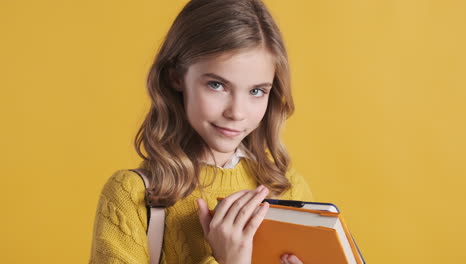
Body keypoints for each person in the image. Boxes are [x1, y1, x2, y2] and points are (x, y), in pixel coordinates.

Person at [89, 0, 314, 263]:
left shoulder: (288, 189)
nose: (237, 112)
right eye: (217, 85)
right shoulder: (132, 196)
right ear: (176, 76)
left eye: (256, 91)